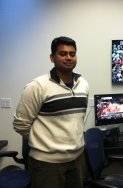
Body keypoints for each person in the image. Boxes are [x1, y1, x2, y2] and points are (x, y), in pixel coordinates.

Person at [13, 36, 89, 188]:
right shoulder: (37, 86)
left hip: (77, 160)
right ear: (52, 57)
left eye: (72, 54)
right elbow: (20, 124)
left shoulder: (83, 84)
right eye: (63, 54)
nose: (68, 57)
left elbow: (77, 120)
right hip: (46, 165)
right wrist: (44, 142)